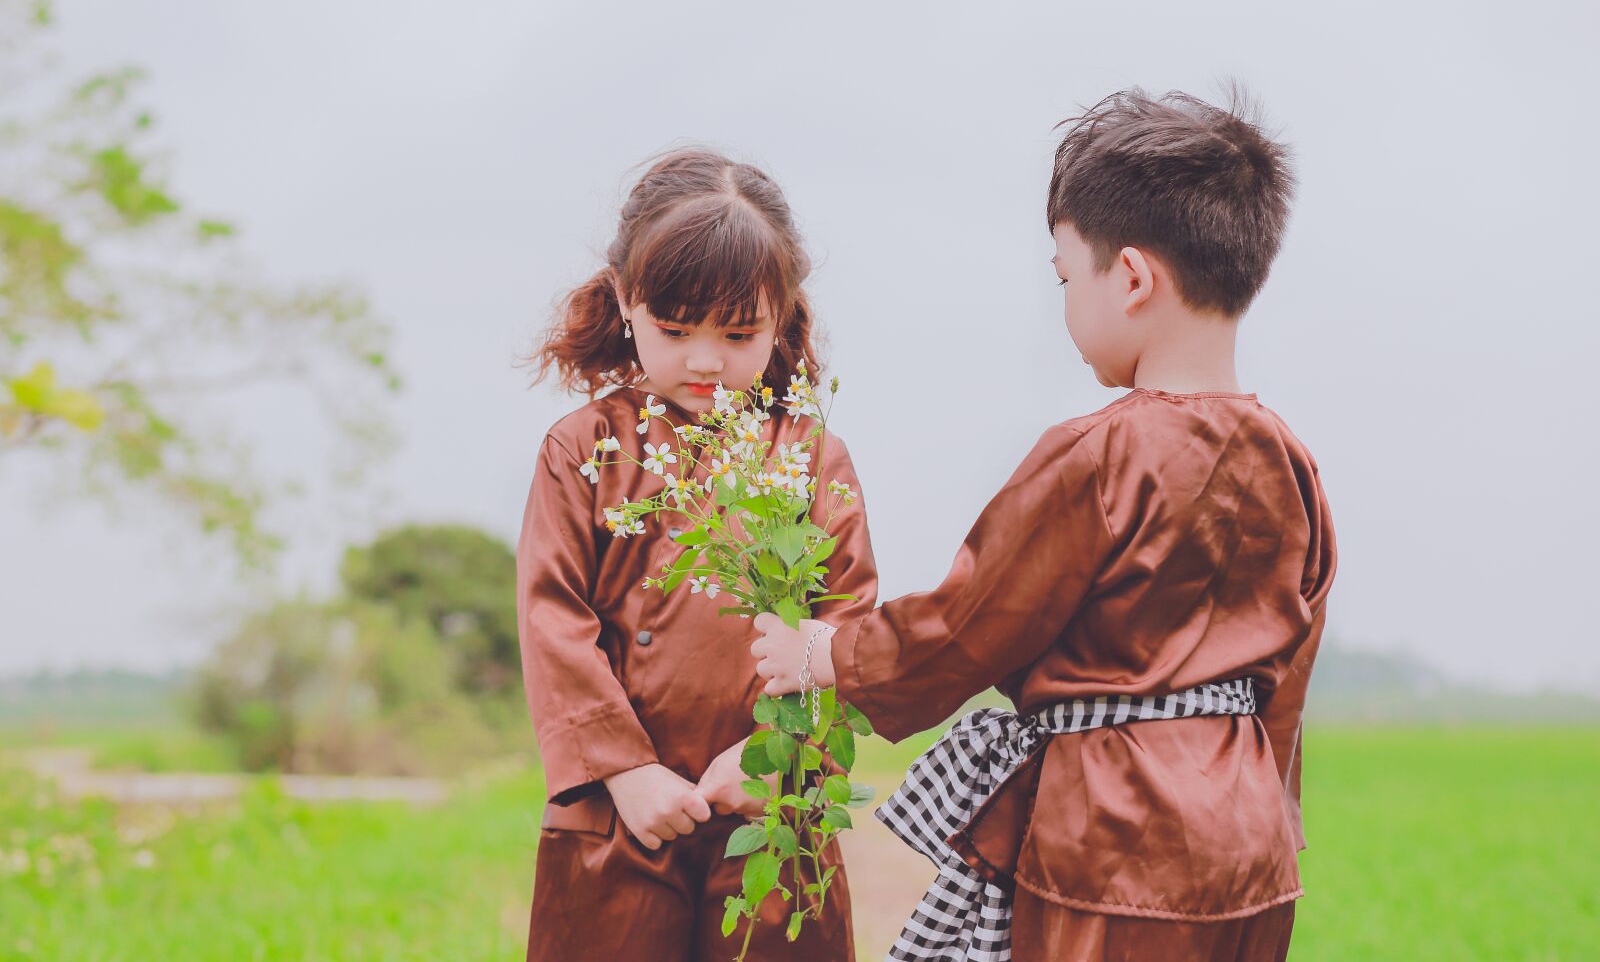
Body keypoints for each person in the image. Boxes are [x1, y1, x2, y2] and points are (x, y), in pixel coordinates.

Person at [752, 90, 1336, 962]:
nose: (1062, 306)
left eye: (1067, 278)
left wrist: (826, 655)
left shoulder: (1099, 454)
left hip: (1115, 837)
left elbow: (971, 620)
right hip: (1248, 845)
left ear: (1132, 278)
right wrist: (1275, 809)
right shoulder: (1292, 461)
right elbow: (1286, 674)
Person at [518, 148, 878, 961]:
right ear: (624, 301)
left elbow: (848, 624)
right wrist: (624, 773)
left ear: (784, 313)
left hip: (770, 808)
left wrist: (771, 759)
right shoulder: (584, 449)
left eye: (739, 331)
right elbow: (554, 623)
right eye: (674, 331)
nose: (706, 360)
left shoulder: (813, 457)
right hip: (617, 817)